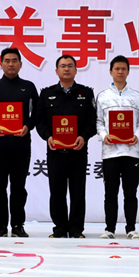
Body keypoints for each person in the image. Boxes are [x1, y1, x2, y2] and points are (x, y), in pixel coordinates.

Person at [35, 55, 97, 238]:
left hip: (78, 151)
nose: (67, 69)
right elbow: (40, 121)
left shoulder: (86, 93)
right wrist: (48, 137)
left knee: (78, 191)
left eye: (70, 66)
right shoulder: (46, 94)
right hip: (55, 151)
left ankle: (76, 229)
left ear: (76, 70)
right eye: (63, 66)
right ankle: (60, 228)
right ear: (57, 71)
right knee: (57, 191)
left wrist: (83, 136)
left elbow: (92, 121)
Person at [0, 48, 39, 238]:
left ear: (21, 64)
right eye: (7, 60)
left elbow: (37, 113)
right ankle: (0, 225)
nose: (11, 64)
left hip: (21, 145)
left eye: (14, 60)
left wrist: (28, 126)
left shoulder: (28, 87)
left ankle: (18, 225)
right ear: (1, 64)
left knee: (18, 187)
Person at [96, 56, 139, 240]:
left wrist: (137, 135)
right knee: (110, 192)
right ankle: (109, 228)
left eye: (123, 68)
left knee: (130, 192)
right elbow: (98, 122)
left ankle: (131, 228)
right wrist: (104, 136)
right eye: (116, 68)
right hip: (110, 153)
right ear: (111, 71)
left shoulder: (136, 96)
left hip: (131, 152)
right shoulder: (103, 96)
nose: (120, 71)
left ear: (128, 71)